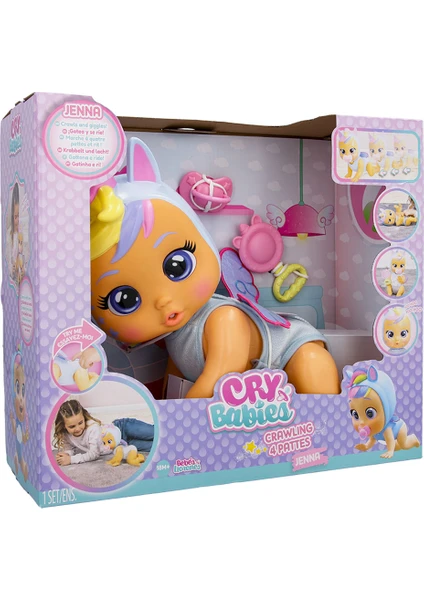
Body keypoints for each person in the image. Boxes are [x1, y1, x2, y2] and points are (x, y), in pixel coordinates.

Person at [90, 138, 340, 398]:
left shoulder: (224, 318)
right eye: (125, 299)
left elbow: (221, 377)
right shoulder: (176, 332)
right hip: (263, 399)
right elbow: (181, 373)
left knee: (311, 364)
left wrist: (180, 414)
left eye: (178, 266)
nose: (163, 300)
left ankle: (328, 412)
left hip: (292, 352)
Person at [53, 398, 154, 466]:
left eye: (80, 423)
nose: (78, 428)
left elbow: (94, 454)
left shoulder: (92, 428)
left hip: (122, 428)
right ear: (63, 426)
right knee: (156, 444)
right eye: (72, 426)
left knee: (156, 432)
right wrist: (66, 455)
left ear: (84, 417)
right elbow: (69, 448)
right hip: (122, 445)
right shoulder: (66, 435)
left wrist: (71, 460)